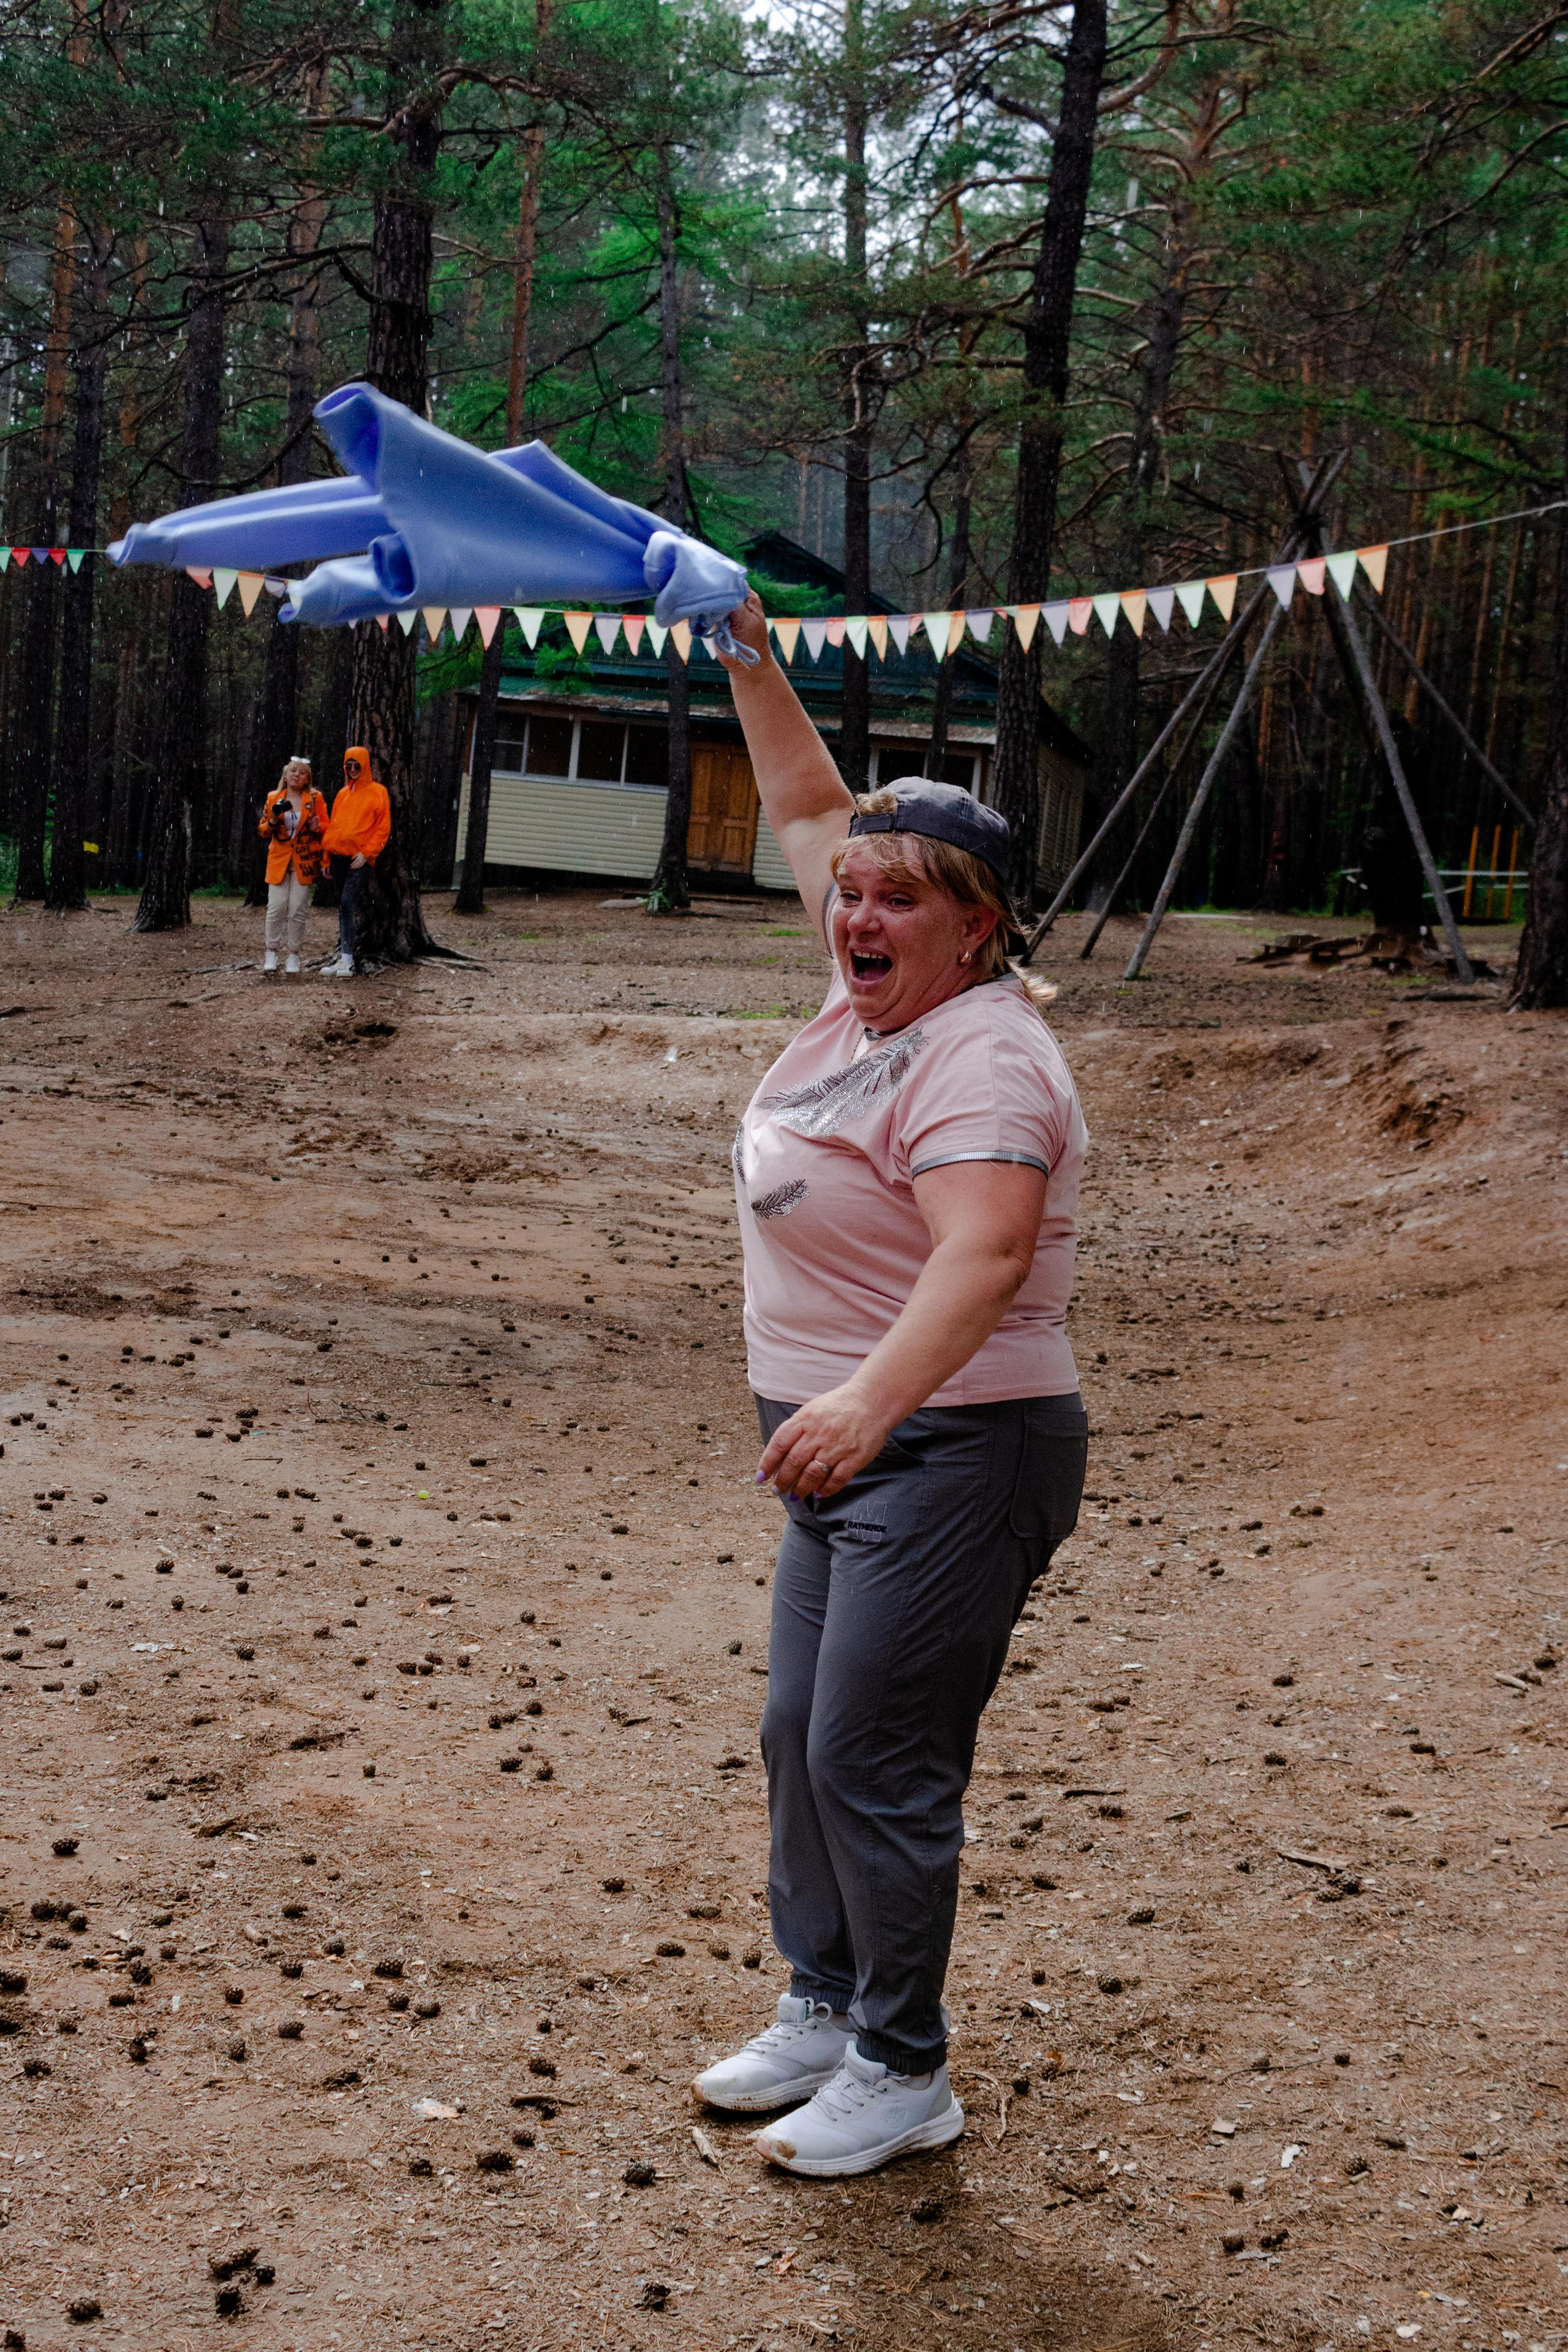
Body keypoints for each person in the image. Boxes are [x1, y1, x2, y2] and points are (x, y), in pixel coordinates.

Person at [693, 591, 1089, 2180]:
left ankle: (904, 2067)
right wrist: (739, 646)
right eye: (848, 893)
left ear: (974, 924)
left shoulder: (978, 1055)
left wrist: (866, 1404)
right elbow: (800, 796)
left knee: (874, 1752)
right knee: (805, 1735)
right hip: (847, 1452)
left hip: (953, 1448)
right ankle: (828, 2000)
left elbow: (984, 1256)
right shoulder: (868, 1001)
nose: (854, 914)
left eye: (896, 900)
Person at [321, 744, 391, 976]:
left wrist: (367, 854)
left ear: (365, 766)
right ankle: (343, 957)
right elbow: (334, 828)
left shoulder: (378, 792)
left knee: (348, 903)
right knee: (343, 907)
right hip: (339, 857)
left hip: (359, 860)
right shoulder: (343, 794)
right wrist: (326, 857)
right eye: (349, 766)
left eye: (356, 765)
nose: (352, 769)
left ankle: (348, 959)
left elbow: (383, 828)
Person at [257, 756, 328, 974]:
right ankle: (271, 953)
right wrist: (273, 821)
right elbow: (263, 830)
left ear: (308, 778)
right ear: (285, 775)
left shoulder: (315, 799)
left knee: (298, 909)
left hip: (305, 860)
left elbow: (327, 825)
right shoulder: (274, 797)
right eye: (293, 771)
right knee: (276, 908)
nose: (296, 775)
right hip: (278, 859)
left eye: (302, 772)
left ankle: (294, 956)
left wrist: (318, 827)